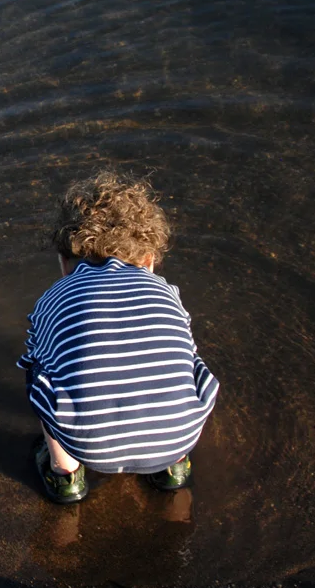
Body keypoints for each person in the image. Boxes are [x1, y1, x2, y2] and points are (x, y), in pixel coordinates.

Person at [18, 170, 219, 503]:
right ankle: (174, 469)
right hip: (177, 436)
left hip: (90, 447)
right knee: (189, 356)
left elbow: (37, 359)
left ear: (64, 262)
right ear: (149, 260)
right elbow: (185, 354)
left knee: (37, 368)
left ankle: (65, 473)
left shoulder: (53, 298)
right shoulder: (166, 292)